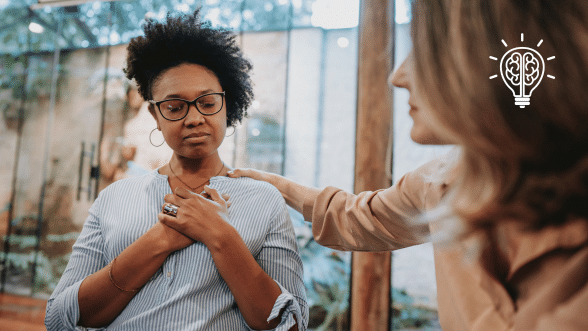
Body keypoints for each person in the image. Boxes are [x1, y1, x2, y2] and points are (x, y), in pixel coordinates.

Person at [230, 0, 588, 329]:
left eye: (425, 51)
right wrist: (274, 185)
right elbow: (358, 217)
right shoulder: (439, 183)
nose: (397, 77)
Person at [45, 10, 307, 331]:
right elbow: (60, 318)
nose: (194, 118)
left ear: (227, 105)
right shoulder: (114, 197)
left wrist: (219, 234)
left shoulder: (265, 200)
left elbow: (290, 324)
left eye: (208, 103)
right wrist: (161, 239)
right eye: (174, 107)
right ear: (155, 115)